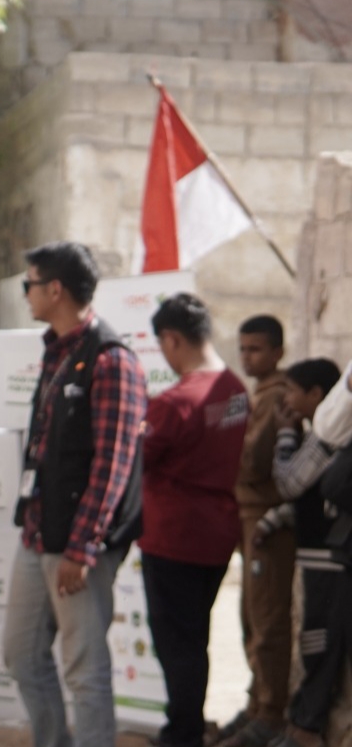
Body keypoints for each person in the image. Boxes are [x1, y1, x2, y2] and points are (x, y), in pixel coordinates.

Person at [2, 241, 146, 747]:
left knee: (85, 670)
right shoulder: (57, 350)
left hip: (78, 545)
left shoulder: (111, 360)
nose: (26, 296)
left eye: (29, 285)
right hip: (39, 533)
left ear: (55, 290)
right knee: (20, 653)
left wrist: (83, 546)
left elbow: (114, 465)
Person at [138, 293, 248, 747]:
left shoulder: (175, 402)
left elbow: (135, 459)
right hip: (217, 535)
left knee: (177, 646)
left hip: (174, 539)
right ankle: (187, 726)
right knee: (194, 639)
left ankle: (182, 734)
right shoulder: (236, 391)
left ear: (172, 339)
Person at [260, 358, 346, 747]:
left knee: (319, 644)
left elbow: (291, 483)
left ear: (316, 395)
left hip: (329, 562)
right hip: (323, 557)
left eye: (293, 391)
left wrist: (284, 435)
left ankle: (307, 728)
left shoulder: (327, 435)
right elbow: (308, 499)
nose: (288, 400)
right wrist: (276, 520)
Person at [224, 314, 293, 746]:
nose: (247, 357)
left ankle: (271, 714)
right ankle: (256, 704)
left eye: (256, 349)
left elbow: (251, 462)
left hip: (268, 522)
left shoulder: (276, 396)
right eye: (243, 348)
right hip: (247, 517)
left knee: (266, 619)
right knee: (249, 616)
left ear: (277, 352)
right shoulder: (256, 394)